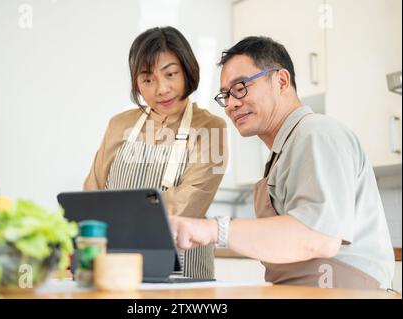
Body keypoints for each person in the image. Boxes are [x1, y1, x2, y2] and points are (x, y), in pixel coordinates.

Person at [169, 36, 395, 289]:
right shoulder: (286, 149)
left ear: (281, 81)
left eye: (241, 87)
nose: (231, 103)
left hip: (343, 292)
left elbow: (318, 237)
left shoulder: (316, 133)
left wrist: (215, 230)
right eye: (225, 95)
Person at [83, 26, 228, 279]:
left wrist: (114, 219)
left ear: (187, 70)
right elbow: (92, 194)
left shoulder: (211, 128)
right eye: (148, 79)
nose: (161, 89)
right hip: (116, 266)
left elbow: (189, 204)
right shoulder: (119, 124)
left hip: (185, 267)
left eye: (171, 74)